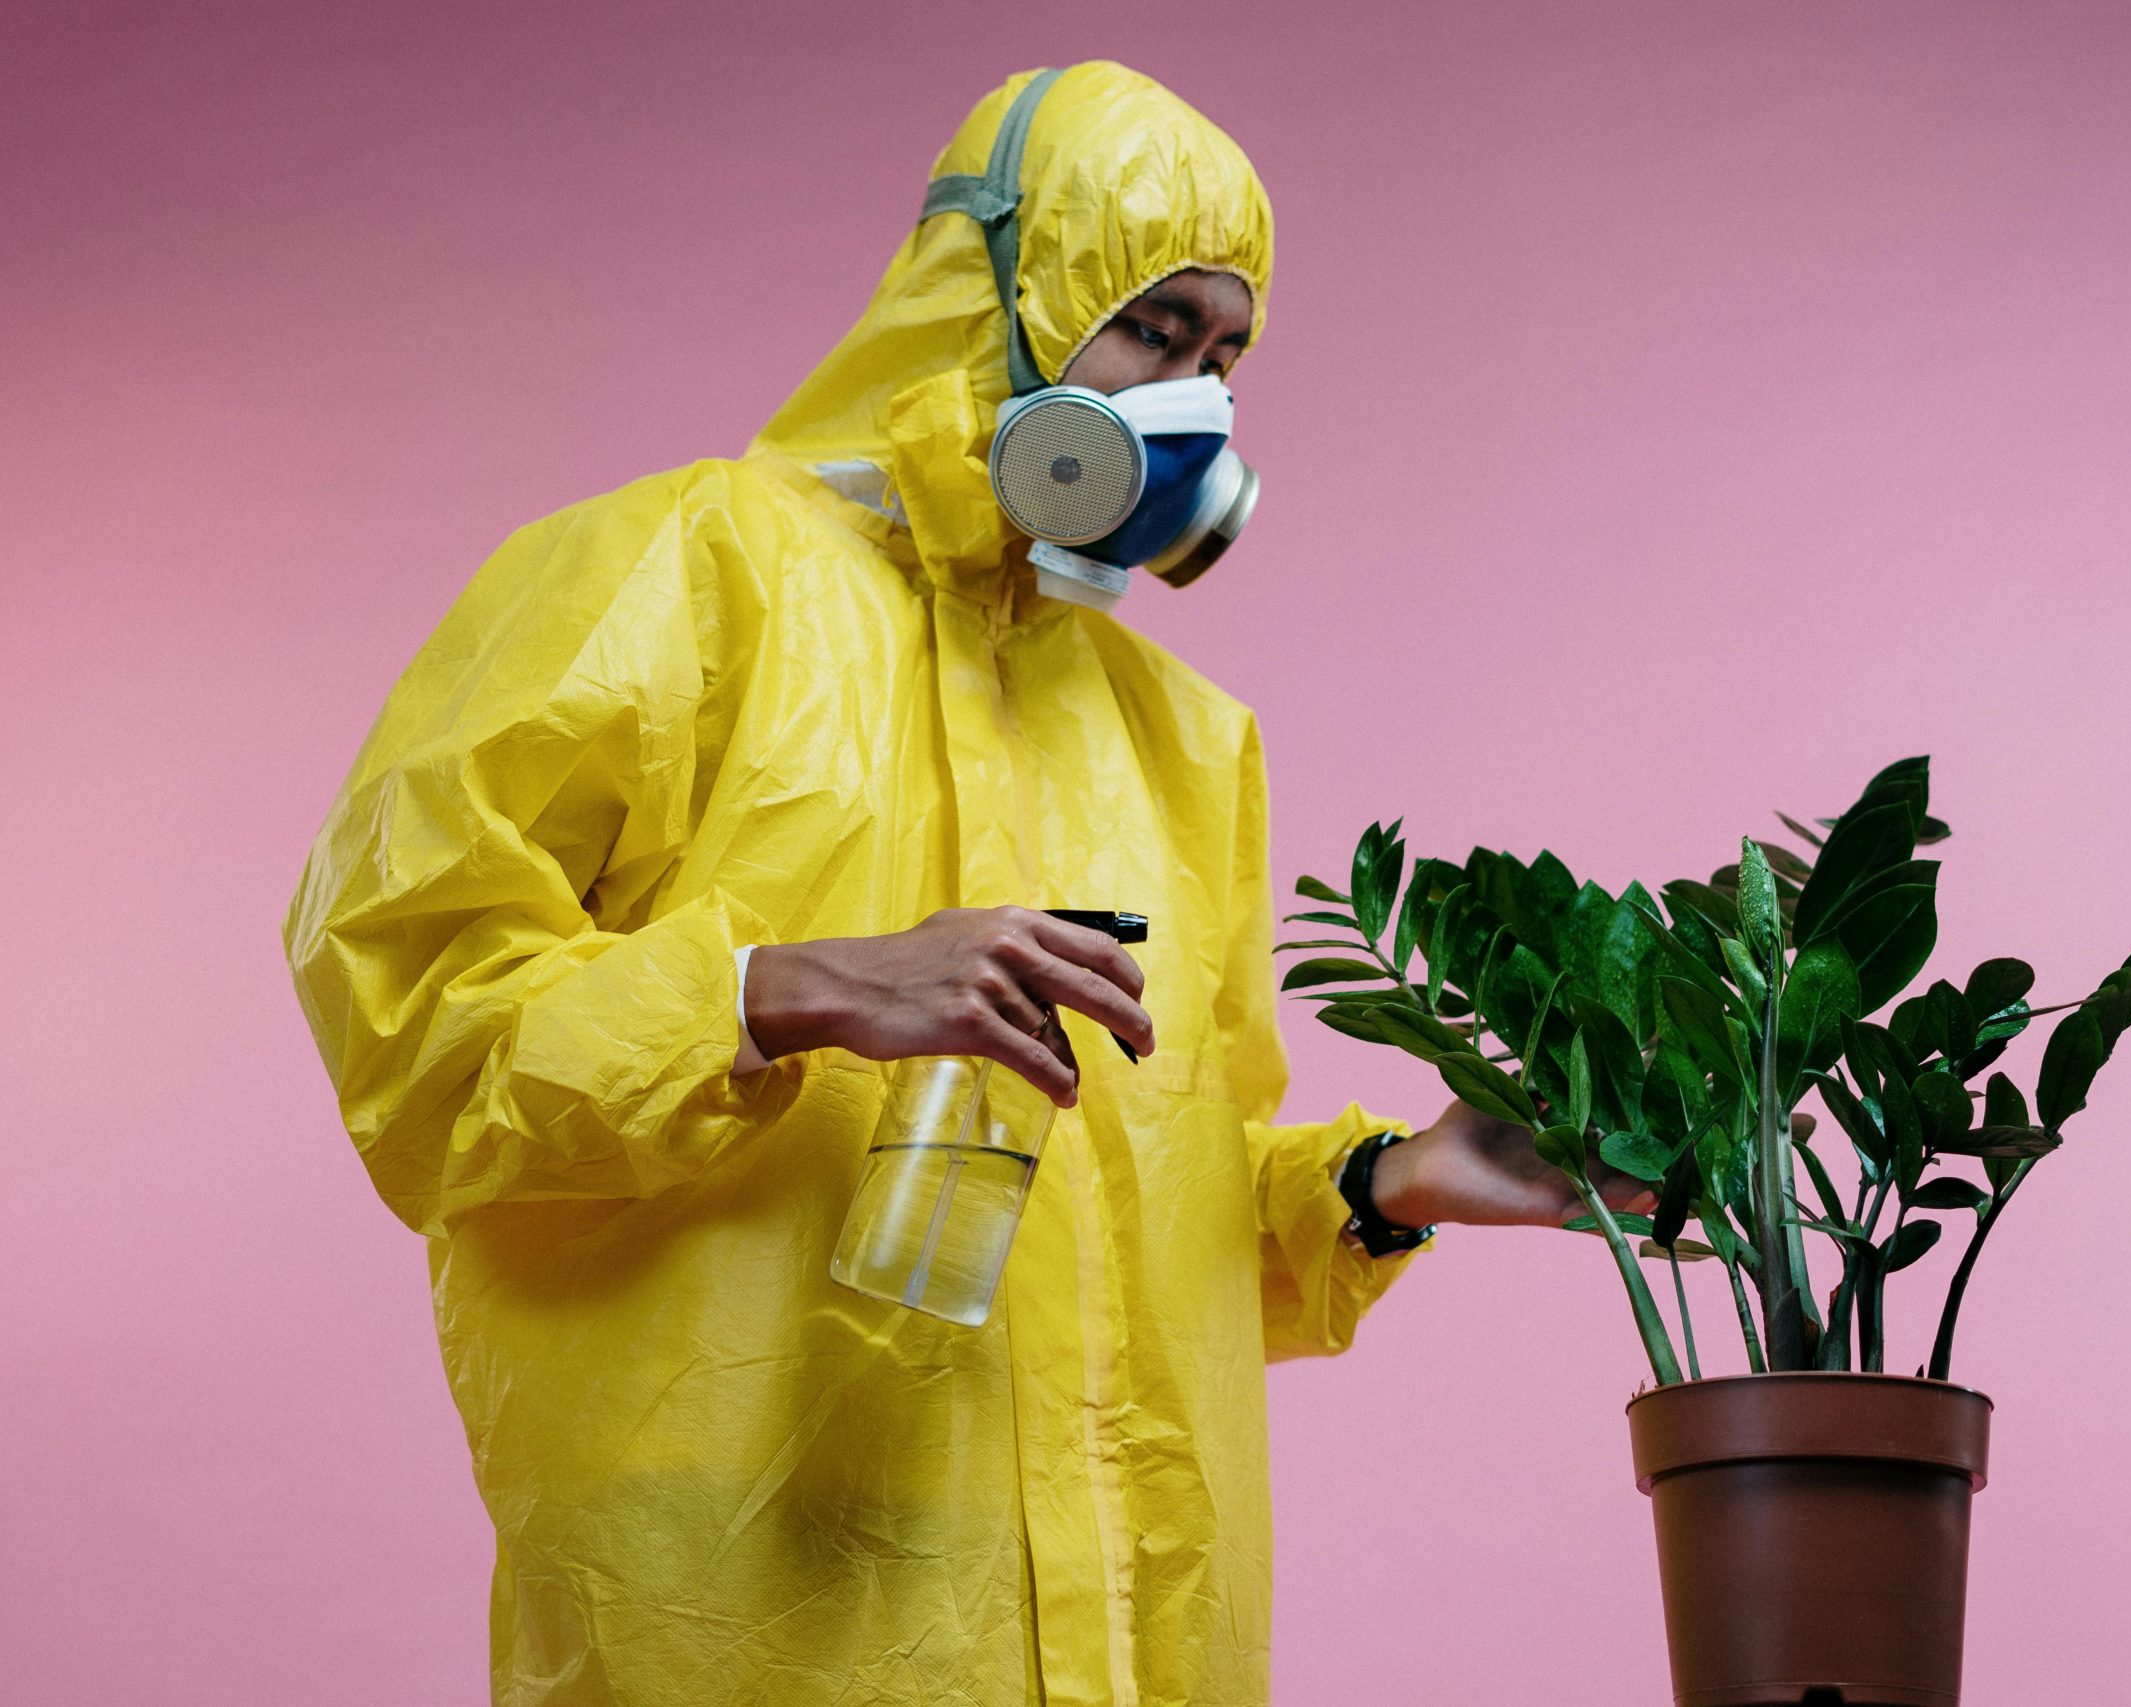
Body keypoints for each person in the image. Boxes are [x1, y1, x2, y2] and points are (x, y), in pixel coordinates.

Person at [285, 62, 1635, 1707]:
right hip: (746, 1610)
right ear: (988, 290)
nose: (1194, 406)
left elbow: (1162, 1219)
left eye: (1226, 361)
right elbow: (414, 1032)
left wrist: (1390, 1182)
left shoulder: (1182, 736)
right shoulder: (678, 574)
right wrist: (783, 992)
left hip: (1131, 1643)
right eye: (1153, 331)